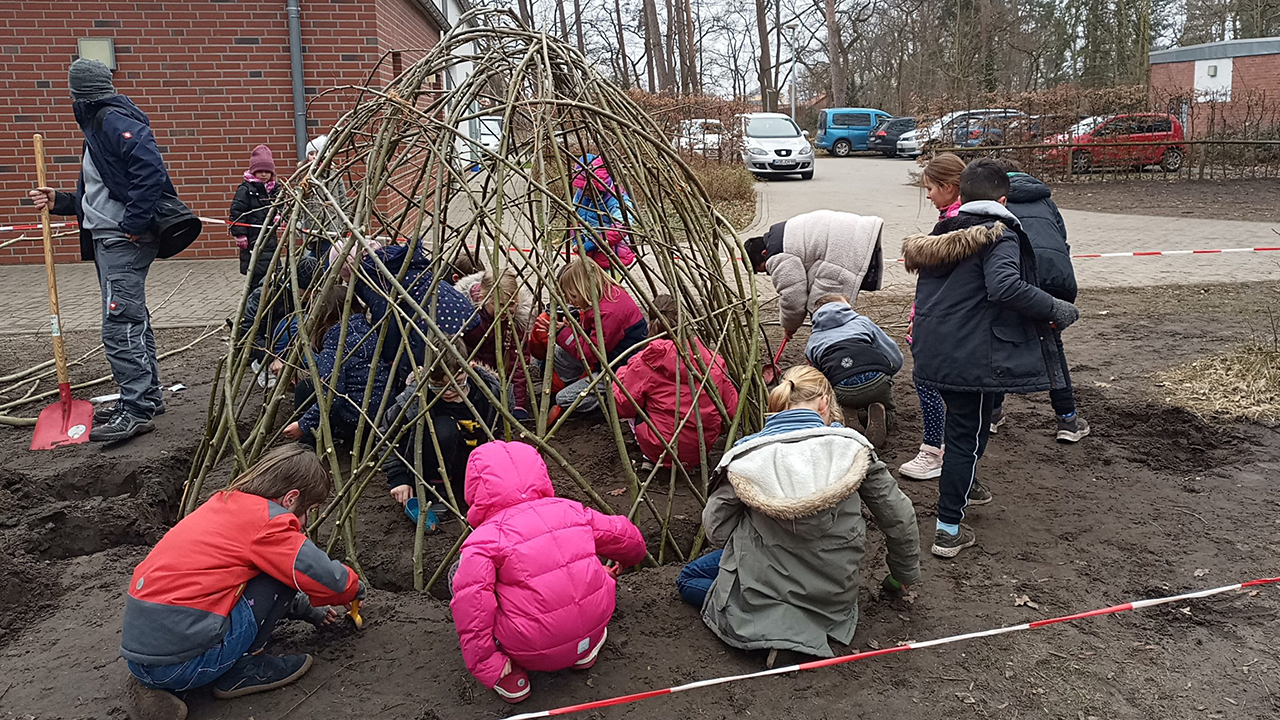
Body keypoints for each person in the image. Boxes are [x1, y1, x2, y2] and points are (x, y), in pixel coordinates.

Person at [675, 366, 919, 665]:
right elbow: (899, 516)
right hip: (835, 588)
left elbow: (717, 531)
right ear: (825, 404)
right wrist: (902, 575)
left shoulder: (745, 457)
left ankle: (772, 628)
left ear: (778, 405)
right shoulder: (853, 450)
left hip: (764, 581)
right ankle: (808, 624)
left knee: (689, 578)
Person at [901, 158, 1080, 559]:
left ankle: (966, 484)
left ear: (961, 196)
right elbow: (1005, 288)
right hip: (971, 351)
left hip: (937, 347)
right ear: (1003, 200)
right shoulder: (999, 235)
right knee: (964, 433)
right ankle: (948, 529)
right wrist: (1055, 308)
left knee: (973, 422)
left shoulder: (943, 230)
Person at [120, 445, 364, 719]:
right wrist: (354, 588)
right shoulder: (268, 523)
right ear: (291, 498)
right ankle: (244, 669)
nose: (306, 521)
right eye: (310, 509)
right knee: (280, 571)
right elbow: (322, 576)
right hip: (185, 665)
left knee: (261, 569)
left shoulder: (222, 505)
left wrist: (307, 609)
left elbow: (235, 584)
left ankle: (152, 681)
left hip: (141, 655)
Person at [29, 58, 172, 443]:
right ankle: (147, 395)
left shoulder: (111, 120)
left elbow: (150, 170)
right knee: (132, 315)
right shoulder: (99, 126)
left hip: (121, 238)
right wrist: (59, 200)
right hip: (109, 236)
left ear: (78, 92)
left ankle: (137, 408)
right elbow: (101, 191)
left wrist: (134, 223)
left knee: (119, 323)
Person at [451, 441, 647, 704]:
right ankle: (583, 650)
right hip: (596, 622)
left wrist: (487, 663)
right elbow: (627, 538)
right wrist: (628, 558)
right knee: (584, 569)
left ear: (476, 487)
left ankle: (510, 678)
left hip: (533, 648)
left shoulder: (484, 541)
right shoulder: (570, 510)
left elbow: (473, 610)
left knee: (464, 582)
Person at [989, 157, 1089, 442]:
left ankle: (993, 413)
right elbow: (1063, 240)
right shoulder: (1046, 201)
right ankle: (1067, 420)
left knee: (1000, 341)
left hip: (1016, 279)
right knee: (1051, 345)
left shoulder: (997, 201)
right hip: (1057, 280)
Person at [383, 338, 503, 528]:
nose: (447, 392)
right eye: (437, 385)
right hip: (434, 465)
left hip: (474, 465)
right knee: (442, 428)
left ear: (469, 367)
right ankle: (436, 489)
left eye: (457, 383)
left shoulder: (489, 393)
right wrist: (398, 478)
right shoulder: (416, 399)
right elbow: (387, 436)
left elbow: (502, 435)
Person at [612, 295, 740, 468]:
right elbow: (731, 408)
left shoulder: (645, 362)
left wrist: (621, 375)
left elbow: (622, 406)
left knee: (635, 400)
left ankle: (651, 455)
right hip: (702, 446)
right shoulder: (711, 359)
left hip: (660, 447)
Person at [899, 153, 966, 480]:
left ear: (950, 187)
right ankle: (948, 448)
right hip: (942, 319)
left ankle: (932, 452)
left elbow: (937, 282)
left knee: (927, 383)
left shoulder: (953, 226)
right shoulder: (954, 218)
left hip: (940, 322)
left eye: (931, 188)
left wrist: (922, 317)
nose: (927, 195)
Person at [743, 210, 885, 339]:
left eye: (764, 268)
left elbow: (793, 296)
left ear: (764, 254)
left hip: (842, 249)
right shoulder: (779, 235)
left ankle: (833, 354)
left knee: (825, 311)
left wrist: (789, 326)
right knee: (823, 309)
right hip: (858, 233)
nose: (768, 272)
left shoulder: (777, 254)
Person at [538, 258, 647, 421]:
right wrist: (573, 329)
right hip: (607, 358)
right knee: (558, 355)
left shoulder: (607, 313)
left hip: (618, 369)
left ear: (584, 288)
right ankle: (576, 383)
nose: (571, 302)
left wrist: (564, 334)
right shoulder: (602, 296)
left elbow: (591, 353)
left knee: (564, 399)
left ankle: (606, 404)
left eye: (573, 296)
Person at [283, 290, 390, 445]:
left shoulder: (334, 350)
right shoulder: (368, 332)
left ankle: (306, 446)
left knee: (305, 388)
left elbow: (332, 397)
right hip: (381, 414)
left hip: (356, 421)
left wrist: (303, 425)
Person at [804, 294, 903, 448]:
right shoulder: (863, 322)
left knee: (843, 403)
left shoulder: (813, 341)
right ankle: (883, 416)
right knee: (889, 408)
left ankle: (848, 413)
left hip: (843, 387)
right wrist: (889, 373)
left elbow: (818, 378)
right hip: (877, 379)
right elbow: (893, 353)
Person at [458, 268, 536, 418]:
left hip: (495, 379)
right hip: (467, 378)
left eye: (512, 304)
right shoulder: (465, 315)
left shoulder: (516, 321)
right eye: (499, 305)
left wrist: (517, 403)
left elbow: (517, 363)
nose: (506, 310)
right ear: (482, 298)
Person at [570, 154, 636, 269]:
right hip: (590, 257)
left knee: (610, 286)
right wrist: (577, 240)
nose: (585, 192)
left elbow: (622, 227)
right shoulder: (581, 195)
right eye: (582, 188)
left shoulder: (615, 199)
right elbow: (575, 219)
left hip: (614, 258)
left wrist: (593, 244)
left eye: (589, 189)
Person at [230, 145, 281, 288]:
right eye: (260, 171)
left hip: (269, 238)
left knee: (272, 270)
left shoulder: (275, 190)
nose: (264, 174)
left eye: (267, 171)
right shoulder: (246, 190)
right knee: (256, 274)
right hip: (252, 240)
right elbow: (237, 212)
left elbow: (282, 205)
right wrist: (239, 234)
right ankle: (254, 301)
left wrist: (280, 214)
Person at [302, 134, 348, 260]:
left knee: (327, 256)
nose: (314, 157)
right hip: (314, 228)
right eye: (311, 154)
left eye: (317, 153)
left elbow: (343, 201)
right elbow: (300, 203)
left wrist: (345, 223)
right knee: (318, 257)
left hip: (333, 227)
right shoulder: (305, 177)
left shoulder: (334, 175)